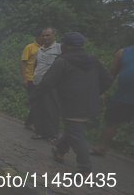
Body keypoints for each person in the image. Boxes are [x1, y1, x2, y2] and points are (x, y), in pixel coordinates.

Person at [29, 32, 113, 173]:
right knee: (73, 129)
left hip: (72, 104)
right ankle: (60, 151)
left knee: (77, 134)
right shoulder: (93, 60)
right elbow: (108, 80)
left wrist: (32, 98)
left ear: (65, 46)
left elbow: (47, 83)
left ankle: (85, 169)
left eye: (62, 44)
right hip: (91, 104)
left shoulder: (62, 61)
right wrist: (96, 92)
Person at [89, 45, 134, 156]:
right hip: (123, 96)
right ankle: (101, 149)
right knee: (111, 122)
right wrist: (101, 91)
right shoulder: (122, 53)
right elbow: (111, 75)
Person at [30, 27, 62, 143]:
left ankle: (53, 135)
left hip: (51, 85)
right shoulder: (39, 50)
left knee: (52, 110)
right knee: (38, 109)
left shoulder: (59, 48)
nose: (45, 38)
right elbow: (36, 65)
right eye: (43, 36)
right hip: (38, 84)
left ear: (54, 36)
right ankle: (40, 132)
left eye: (48, 35)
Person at [20, 30, 45, 131]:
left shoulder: (45, 48)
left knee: (39, 102)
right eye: (42, 36)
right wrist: (24, 78)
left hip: (41, 79)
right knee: (36, 101)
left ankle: (31, 123)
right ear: (37, 37)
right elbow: (22, 63)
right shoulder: (30, 47)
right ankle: (29, 123)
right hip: (30, 79)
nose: (44, 38)